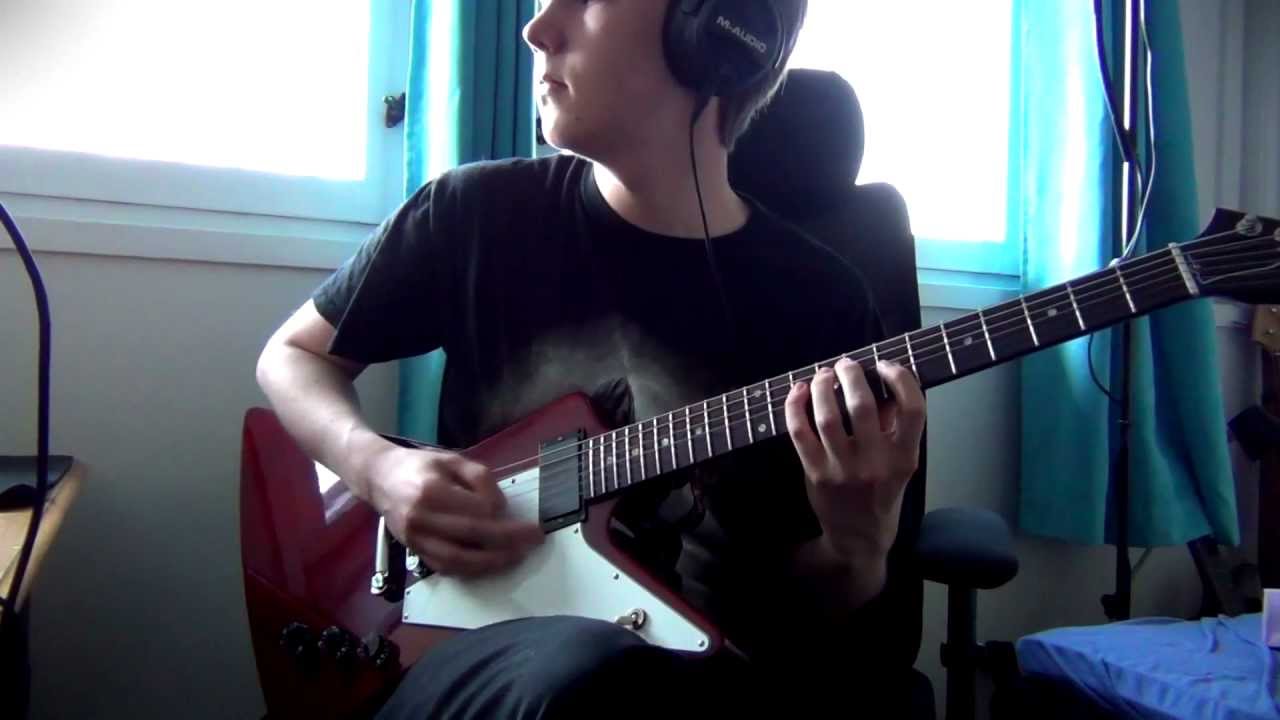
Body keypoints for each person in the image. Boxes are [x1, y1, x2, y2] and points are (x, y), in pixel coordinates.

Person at [255, 0, 926, 716]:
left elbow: (816, 627)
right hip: (461, 654)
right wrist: (377, 468)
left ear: (714, 32)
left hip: (704, 687)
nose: (536, 29)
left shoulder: (824, 303)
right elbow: (292, 357)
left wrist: (857, 545)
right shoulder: (476, 215)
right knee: (586, 673)